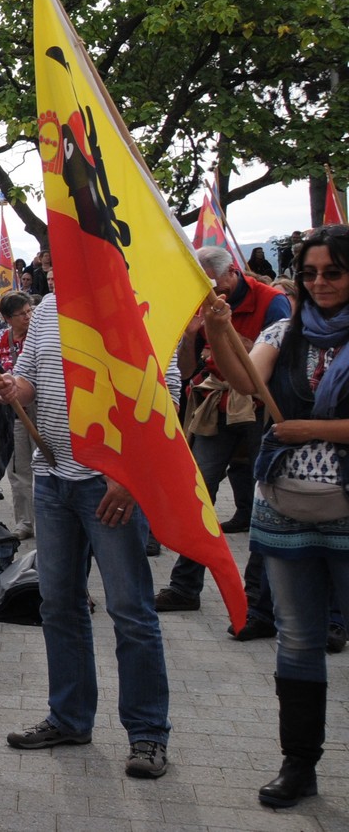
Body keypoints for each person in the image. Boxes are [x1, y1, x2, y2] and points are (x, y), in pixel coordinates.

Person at [0, 293, 175, 779]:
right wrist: (15, 387)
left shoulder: (139, 295)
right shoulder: (49, 306)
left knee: (130, 610)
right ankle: (69, 718)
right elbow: (30, 372)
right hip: (52, 479)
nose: (54, 264)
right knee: (58, 605)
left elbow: (166, 392)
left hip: (112, 483)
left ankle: (148, 733)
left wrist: (131, 474)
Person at [203, 224, 349, 809]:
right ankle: (298, 766)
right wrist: (216, 326)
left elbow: (295, 421)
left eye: (333, 272)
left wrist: (309, 429)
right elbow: (244, 381)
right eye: (310, 272)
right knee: (297, 640)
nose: (319, 282)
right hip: (284, 507)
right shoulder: (284, 331)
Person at [156, 247, 287, 619]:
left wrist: (225, 331)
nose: (205, 294)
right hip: (217, 399)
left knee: (269, 498)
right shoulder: (202, 304)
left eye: (209, 285)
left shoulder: (272, 302)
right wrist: (192, 336)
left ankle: (258, 600)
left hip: (260, 407)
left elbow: (276, 358)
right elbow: (186, 368)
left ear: (230, 275)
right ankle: (185, 586)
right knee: (199, 491)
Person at [0, 292, 36, 539]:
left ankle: (43, 518)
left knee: (42, 466)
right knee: (18, 470)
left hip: (39, 412)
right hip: (14, 415)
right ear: (8, 318)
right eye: (21, 314)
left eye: (29, 311)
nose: (27, 317)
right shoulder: (1, 340)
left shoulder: (38, 337)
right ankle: (24, 522)